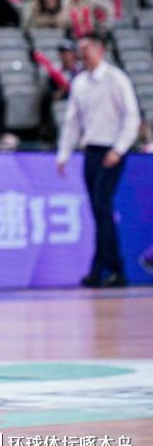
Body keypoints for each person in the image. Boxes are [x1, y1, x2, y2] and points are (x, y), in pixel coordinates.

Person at [56, 31, 140, 288]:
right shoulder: (80, 82)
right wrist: (64, 153)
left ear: (101, 49)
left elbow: (132, 116)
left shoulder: (116, 78)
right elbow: (72, 122)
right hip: (91, 150)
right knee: (98, 211)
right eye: (81, 48)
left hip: (111, 150)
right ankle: (110, 270)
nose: (83, 53)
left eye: (88, 47)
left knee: (102, 206)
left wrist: (119, 148)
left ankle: (105, 270)